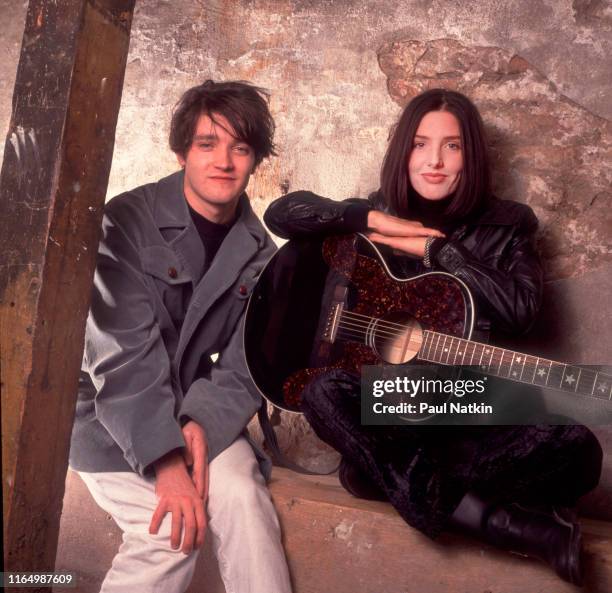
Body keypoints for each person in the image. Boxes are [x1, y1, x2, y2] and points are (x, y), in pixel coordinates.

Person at [263, 88, 602, 585]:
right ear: (404, 153)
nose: (435, 161)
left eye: (453, 146)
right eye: (421, 145)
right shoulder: (373, 217)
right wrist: (377, 220)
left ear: (472, 156)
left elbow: (521, 311)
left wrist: (438, 252)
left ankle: (393, 478)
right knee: (323, 392)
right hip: (395, 411)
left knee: (578, 449)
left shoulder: (508, 224)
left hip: (468, 406)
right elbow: (282, 213)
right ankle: (518, 529)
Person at [70, 80, 292, 593]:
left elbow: (244, 364)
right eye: (207, 144)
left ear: (256, 160)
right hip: (106, 416)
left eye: (240, 148)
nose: (224, 162)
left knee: (242, 491)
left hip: (193, 409)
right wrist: (167, 462)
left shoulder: (260, 252)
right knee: (168, 531)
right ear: (181, 151)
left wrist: (201, 423)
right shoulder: (124, 222)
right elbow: (121, 358)